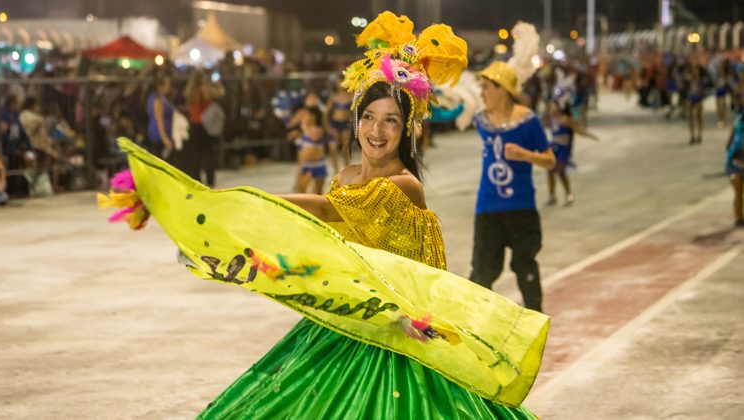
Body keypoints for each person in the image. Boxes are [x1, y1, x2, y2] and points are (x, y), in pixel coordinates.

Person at [101, 12, 548, 419]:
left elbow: (325, 208)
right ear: (355, 120)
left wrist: (234, 197)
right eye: (369, 116)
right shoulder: (346, 174)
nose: (377, 130)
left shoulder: (404, 185)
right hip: (351, 320)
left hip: (404, 334)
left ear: (408, 129)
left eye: (392, 120)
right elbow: (316, 236)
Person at [469, 32, 556, 313]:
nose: (481, 93)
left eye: (487, 87)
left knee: (525, 266)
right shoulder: (480, 118)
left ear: (503, 89)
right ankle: (479, 329)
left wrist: (525, 155)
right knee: (481, 273)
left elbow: (550, 161)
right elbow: (446, 111)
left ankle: (535, 321)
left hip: (521, 207)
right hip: (488, 207)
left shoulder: (528, 121)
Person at [545, 95, 599, 206]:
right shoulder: (551, 118)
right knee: (550, 171)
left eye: (553, 105)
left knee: (560, 172)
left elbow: (579, 130)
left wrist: (591, 136)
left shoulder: (567, 120)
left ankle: (569, 194)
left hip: (563, 150)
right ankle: (552, 196)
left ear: (560, 107)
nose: (551, 107)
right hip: (553, 147)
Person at [293, 106, 329, 194]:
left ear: (314, 116)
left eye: (307, 114)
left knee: (318, 193)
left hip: (318, 164)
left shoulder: (318, 129)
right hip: (306, 164)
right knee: (300, 190)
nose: (305, 117)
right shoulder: (305, 128)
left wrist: (303, 124)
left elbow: (314, 137)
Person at [325, 81, 353, 172]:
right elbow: (325, 113)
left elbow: (354, 113)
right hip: (334, 124)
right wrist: (328, 127)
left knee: (345, 148)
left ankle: (347, 169)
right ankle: (336, 171)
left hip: (345, 124)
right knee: (333, 148)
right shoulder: (333, 97)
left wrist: (352, 125)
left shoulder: (351, 96)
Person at [146, 74, 174, 158]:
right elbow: (159, 120)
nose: (169, 87)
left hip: (158, 133)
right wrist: (164, 138)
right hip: (159, 135)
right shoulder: (157, 99)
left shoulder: (158, 97)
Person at [726, 111, 744, 228]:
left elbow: (728, 145)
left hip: (733, 161)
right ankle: (739, 218)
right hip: (735, 162)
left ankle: (739, 219)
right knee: (738, 193)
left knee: (738, 193)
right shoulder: (737, 123)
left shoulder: (737, 122)